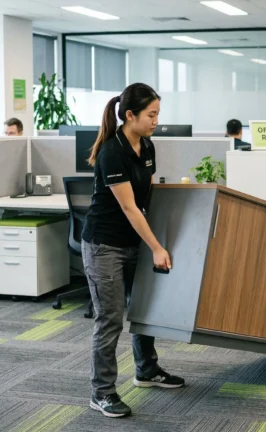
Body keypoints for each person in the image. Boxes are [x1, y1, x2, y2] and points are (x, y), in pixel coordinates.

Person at [81, 83, 184, 418]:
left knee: (143, 310)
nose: (156, 121)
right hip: (104, 245)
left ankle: (147, 370)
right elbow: (129, 207)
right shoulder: (112, 152)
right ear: (130, 115)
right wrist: (156, 246)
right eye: (151, 115)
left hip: (132, 241)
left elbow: (147, 194)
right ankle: (102, 392)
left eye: (157, 114)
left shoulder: (147, 145)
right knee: (110, 319)